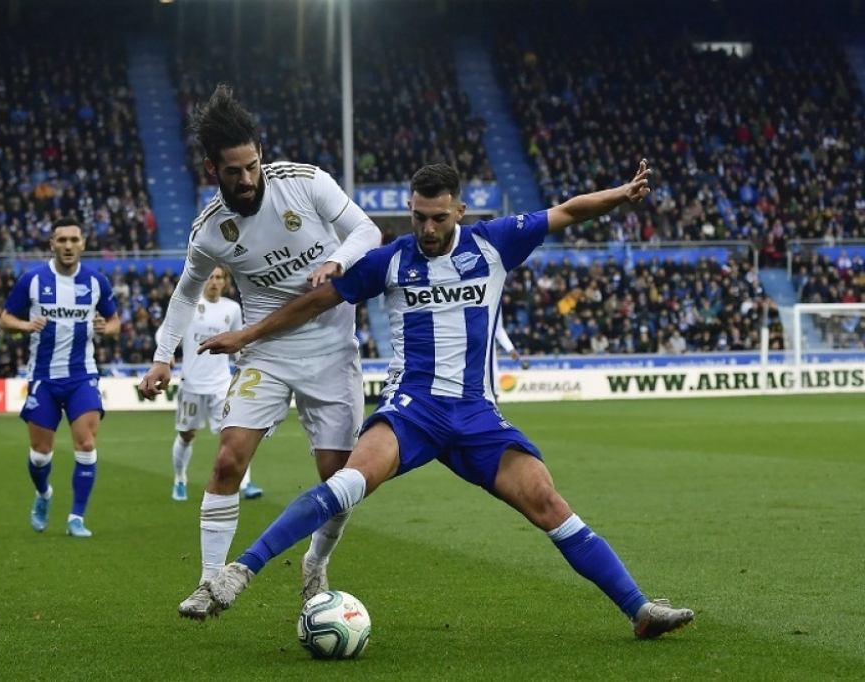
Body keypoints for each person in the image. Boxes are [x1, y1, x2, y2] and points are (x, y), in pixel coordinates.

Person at [191, 162, 695, 639]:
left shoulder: (494, 243)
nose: (426, 228)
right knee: (347, 481)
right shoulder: (389, 261)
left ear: (459, 212)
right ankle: (242, 570)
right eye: (418, 217)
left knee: (547, 501)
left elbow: (567, 211)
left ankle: (639, 610)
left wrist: (622, 196)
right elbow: (315, 301)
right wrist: (248, 334)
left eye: (437, 217)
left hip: (476, 414)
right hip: (413, 408)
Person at [138, 85, 382, 616]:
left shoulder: (306, 183)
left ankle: (315, 563)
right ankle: (209, 583)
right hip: (267, 354)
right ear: (212, 170)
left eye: (253, 166)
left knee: (340, 479)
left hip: (333, 351)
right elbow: (184, 292)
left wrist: (338, 261)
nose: (247, 179)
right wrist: (163, 355)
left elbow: (367, 228)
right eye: (234, 171)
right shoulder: (210, 232)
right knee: (227, 460)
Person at [0, 216, 121, 538]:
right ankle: (44, 495)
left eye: (74, 240)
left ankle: (76, 518)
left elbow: (115, 321)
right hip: (43, 377)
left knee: (87, 443)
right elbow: (5, 318)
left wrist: (105, 329)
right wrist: (26, 326)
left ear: (83, 244)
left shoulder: (96, 282)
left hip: (83, 375)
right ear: (52, 244)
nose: (68, 246)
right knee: (40, 456)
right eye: (62, 240)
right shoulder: (32, 280)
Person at [157, 266, 262, 502]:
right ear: (204, 280)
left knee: (236, 433)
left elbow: (237, 342)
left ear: (225, 282)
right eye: (210, 277)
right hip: (192, 384)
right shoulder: (189, 306)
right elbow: (164, 332)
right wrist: (166, 354)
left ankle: (245, 484)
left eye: (218, 278)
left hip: (220, 385)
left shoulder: (232, 309)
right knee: (187, 435)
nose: (214, 282)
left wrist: (245, 368)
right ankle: (180, 479)